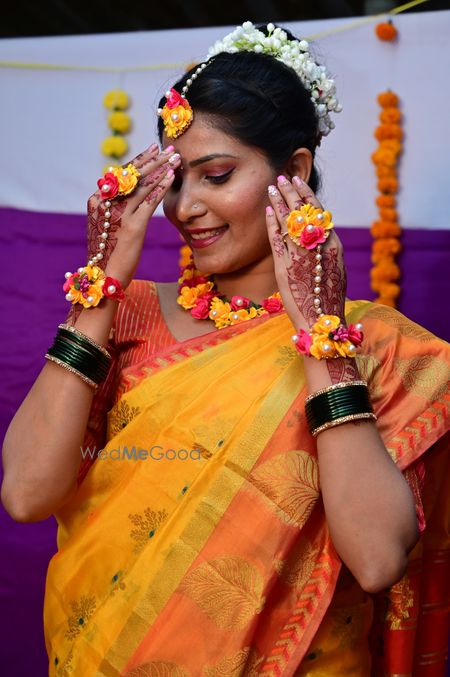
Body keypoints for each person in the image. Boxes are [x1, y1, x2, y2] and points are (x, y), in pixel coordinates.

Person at [1, 21, 449, 677]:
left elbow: (379, 558)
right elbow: (25, 493)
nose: (186, 207)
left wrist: (322, 337)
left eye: (216, 175)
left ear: (294, 171)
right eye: (174, 182)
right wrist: (98, 290)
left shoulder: (382, 347)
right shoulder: (125, 316)